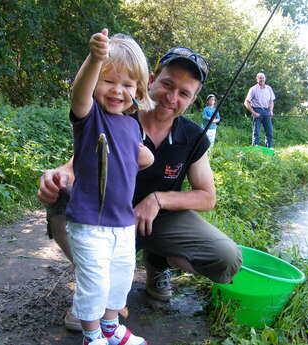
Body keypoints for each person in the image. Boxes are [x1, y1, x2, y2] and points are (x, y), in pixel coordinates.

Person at [38, 46, 242, 332]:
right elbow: (78, 163)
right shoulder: (119, 113)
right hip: (105, 218)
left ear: (193, 99)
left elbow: (207, 196)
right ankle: (95, 286)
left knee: (226, 257)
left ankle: (158, 262)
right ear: (150, 80)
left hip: (158, 221)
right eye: (168, 84)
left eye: (184, 93)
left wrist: (157, 199)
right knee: (60, 195)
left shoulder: (193, 136)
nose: (172, 98)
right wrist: (56, 175)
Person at [64, 28, 154, 345]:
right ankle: (91, 335)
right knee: (95, 283)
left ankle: (111, 328)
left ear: (139, 91)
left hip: (123, 222)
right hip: (90, 222)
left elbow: (133, 157)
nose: (118, 90)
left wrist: (144, 158)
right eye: (109, 80)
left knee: (119, 279)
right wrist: (94, 58)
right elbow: (79, 94)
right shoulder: (90, 118)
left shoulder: (132, 125)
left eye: (128, 85)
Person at [244, 72, 276, 148]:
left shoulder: (269, 88)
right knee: (256, 132)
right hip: (257, 111)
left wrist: (271, 110)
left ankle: (269, 148)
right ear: (257, 79)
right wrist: (253, 112)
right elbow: (246, 102)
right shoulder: (253, 89)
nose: (261, 79)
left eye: (263, 78)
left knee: (269, 132)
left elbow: (271, 101)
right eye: (260, 78)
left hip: (267, 111)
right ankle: (255, 149)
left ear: (265, 79)